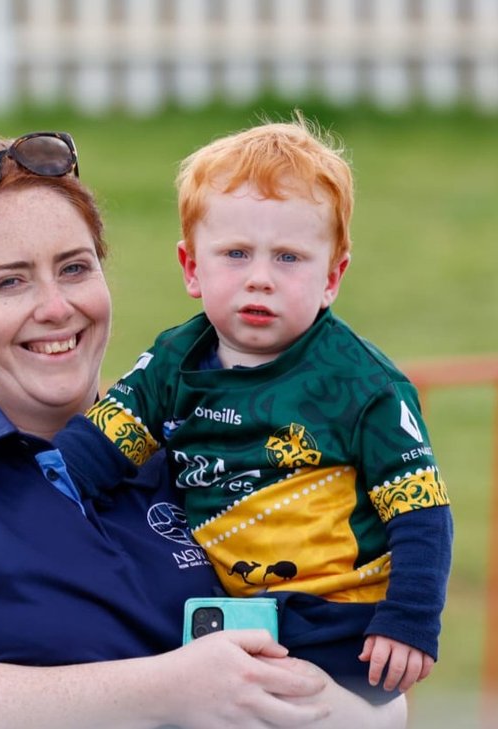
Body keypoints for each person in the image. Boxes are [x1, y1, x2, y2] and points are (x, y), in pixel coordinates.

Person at [0, 130, 411, 729]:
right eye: (10, 281)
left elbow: (367, 674)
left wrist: (351, 708)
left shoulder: (200, 445)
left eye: (74, 269)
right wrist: (166, 689)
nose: (55, 307)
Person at [52, 117, 454, 704]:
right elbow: (104, 441)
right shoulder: (173, 360)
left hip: (338, 620)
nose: (260, 279)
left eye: (289, 258)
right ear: (192, 268)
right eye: (236, 254)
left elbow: (423, 511)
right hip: (216, 615)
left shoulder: (364, 385)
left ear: (331, 277)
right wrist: (39, 484)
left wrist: (410, 620)